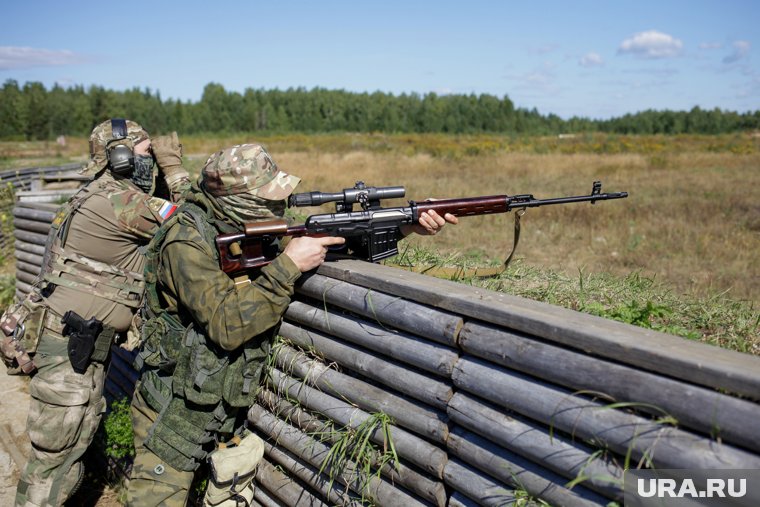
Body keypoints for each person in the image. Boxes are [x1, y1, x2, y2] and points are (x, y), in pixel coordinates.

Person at [126, 143, 456, 506]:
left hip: (217, 407)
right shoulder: (186, 241)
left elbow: (335, 242)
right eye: (267, 201)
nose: (278, 208)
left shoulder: (238, 224)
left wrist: (404, 225)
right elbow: (227, 325)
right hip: (172, 414)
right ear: (234, 200)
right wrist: (288, 266)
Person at [2, 118, 191, 507]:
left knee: (62, 456)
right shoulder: (118, 202)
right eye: (144, 154)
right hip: (71, 350)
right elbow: (192, 224)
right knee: (53, 464)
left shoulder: (100, 194)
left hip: (73, 347)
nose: (151, 161)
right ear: (119, 158)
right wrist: (174, 170)